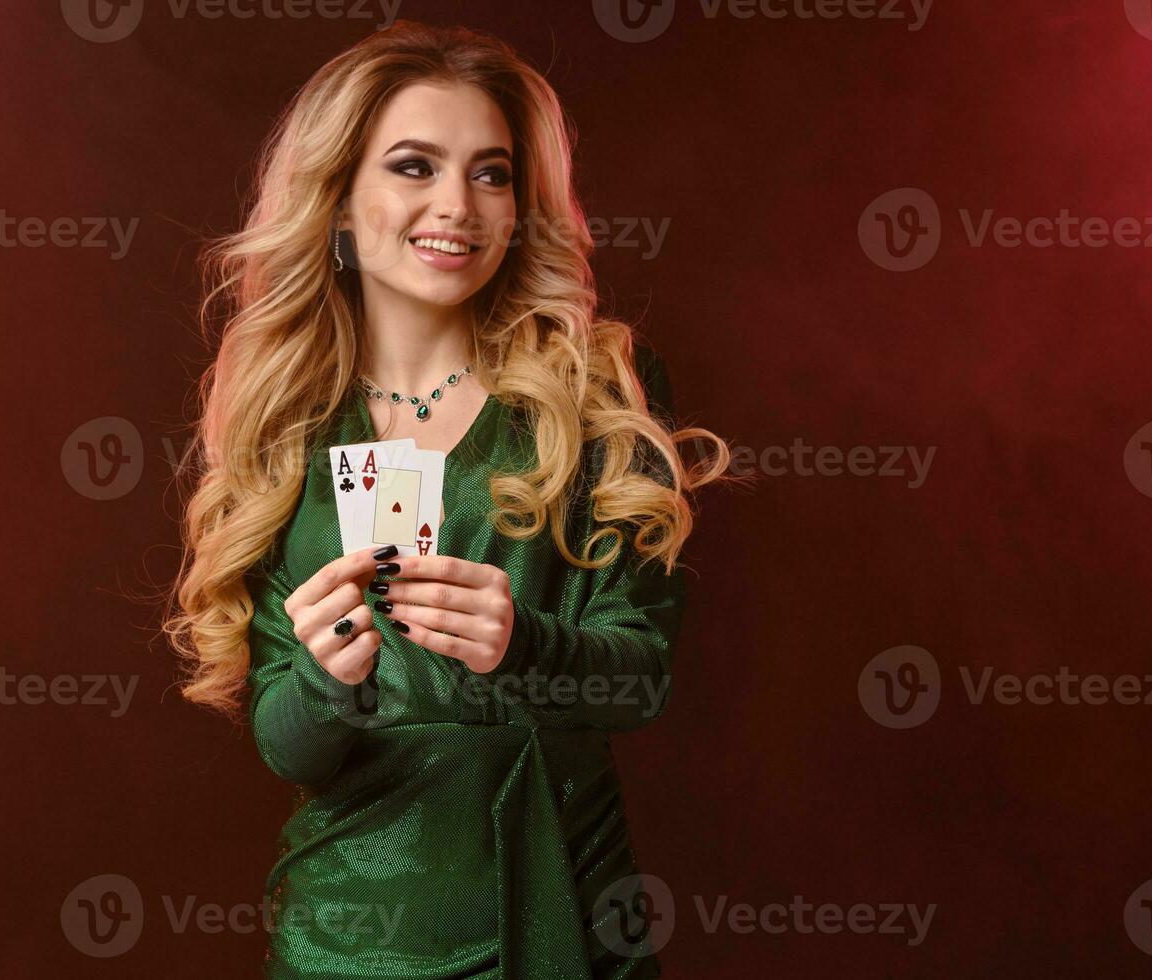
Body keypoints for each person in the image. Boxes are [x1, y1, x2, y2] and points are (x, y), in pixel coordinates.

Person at [165, 20, 730, 978]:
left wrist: (528, 645)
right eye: (415, 166)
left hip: (557, 907)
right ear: (341, 203)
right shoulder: (286, 421)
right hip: (350, 933)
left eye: (492, 173)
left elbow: (640, 682)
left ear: (520, 208)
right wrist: (320, 682)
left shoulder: (595, 390)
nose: (457, 206)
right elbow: (286, 747)